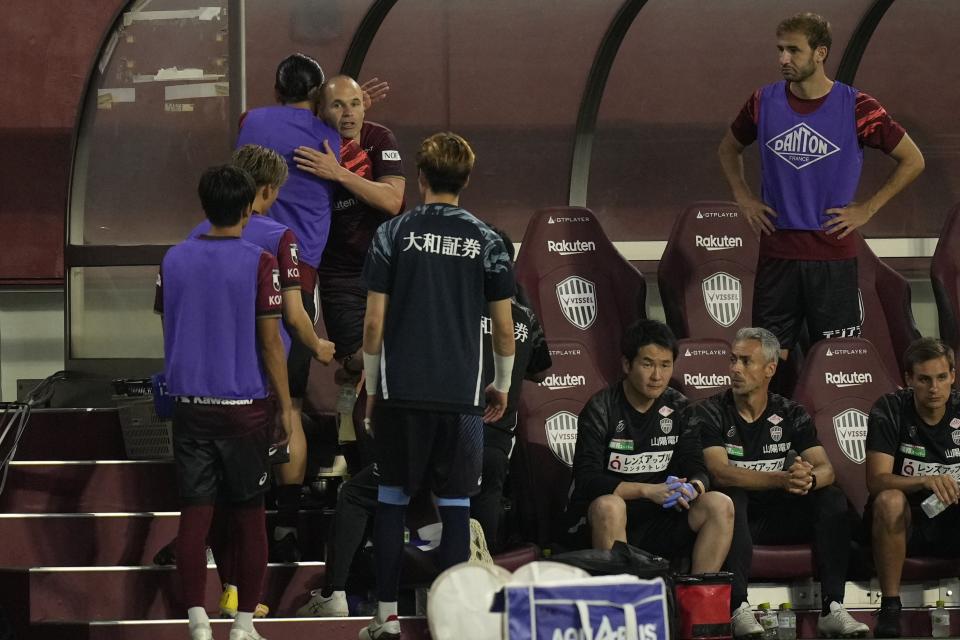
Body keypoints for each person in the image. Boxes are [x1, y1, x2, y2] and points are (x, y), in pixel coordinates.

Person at [294, 226, 549, 619]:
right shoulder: (525, 316)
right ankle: (471, 610)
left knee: (360, 496)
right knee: (472, 521)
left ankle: (340, 595)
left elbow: (387, 346)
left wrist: (351, 364)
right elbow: (539, 372)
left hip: (440, 437)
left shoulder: (445, 304)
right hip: (495, 449)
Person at [359, 132, 516, 640]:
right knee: (455, 507)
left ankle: (384, 619)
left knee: (390, 500)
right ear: (466, 180)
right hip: (462, 400)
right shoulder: (489, 239)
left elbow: (372, 323)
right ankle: (454, 621)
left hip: (402, 393)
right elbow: (506, 329)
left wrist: (372, 382)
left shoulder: (392, 234)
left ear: (421, 178)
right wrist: (503, 385)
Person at [717, 12, 924, 361]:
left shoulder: (857, 106)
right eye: (780, 50)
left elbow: (914, 159)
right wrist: (744, 197)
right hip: (777, 254)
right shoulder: (761, 102)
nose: (783, 59)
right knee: (768, 363)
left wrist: (867, 208)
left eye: (793, 50)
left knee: (835, 361)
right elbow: (728, 148)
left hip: (832, 256)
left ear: (820, 53)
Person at [187, 144, 335, 617]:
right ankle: (286, 527)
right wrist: (320, 347)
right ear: (267, 190)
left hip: (209, 374)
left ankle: (218, 573)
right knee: (287, 421)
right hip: (265, 367)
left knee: (213, 490)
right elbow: (293, 317)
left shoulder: (196, 233)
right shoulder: (280, 237)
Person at [155, 165, 293, 640]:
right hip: (244, 409)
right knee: (250, 515)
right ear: (247, 207)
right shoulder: (260, 262)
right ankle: (243, 623)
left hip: (190, 405)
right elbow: (271, 342)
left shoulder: (172, 260)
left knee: (195, 516)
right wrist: (288, 407)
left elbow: (168, 324)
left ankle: (196, 620)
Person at [692, 327, 868, 639]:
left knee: (831, 498)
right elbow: (720, 471)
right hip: (736, 519)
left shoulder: (790, 412)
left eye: (746, 361)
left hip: (779, 517)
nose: (735, 368)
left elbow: (826, 468)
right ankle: (738, 608)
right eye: (733, 360)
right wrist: (780, 479)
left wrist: (807, 480)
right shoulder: (710, 411)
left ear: (770, 369)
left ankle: (833, 607)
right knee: (732, 495)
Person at [236, 53, 341, 560]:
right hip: (301, 270)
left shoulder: (250, 121)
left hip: (241, 266)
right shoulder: (329, 136)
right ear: (318, 94)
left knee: (246, 400)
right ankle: (289, 522)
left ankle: (243, 519)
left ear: (276, 87)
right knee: (290, 404)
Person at [294, 75, 406, 469]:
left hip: (390, 271)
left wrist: (338, 173)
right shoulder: (306, 145)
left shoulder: (379, 139)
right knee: (360, 361)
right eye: (338, 105)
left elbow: (392, 201)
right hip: (340, 275)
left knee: (383, 365)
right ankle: (361, 461)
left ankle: (380, 457)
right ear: (319, 111)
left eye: (355, 104)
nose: (349, 113)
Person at [565, 319, 734, 575]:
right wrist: (648, 490)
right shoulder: (601, 407)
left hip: (659, 520)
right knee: (610, 505)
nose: (657, 376)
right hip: (603, 522)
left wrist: (692, 488)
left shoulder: (679, 406)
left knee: (719, 504)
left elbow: (697, 467)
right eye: (647, 364)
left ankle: (696, 604)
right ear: (626, 364)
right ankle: (621, 608)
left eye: (665, 365)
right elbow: (587, 479)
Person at [865, 338, 960, 638]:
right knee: (890, 499)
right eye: (924, 379)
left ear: (953, 376)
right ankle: (891, 607)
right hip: (907, 522)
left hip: (951, 520)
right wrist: (924, 480)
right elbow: (876, 480)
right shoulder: (889, 410)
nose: (934, 388)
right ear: (909, 380)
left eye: (942, 377)